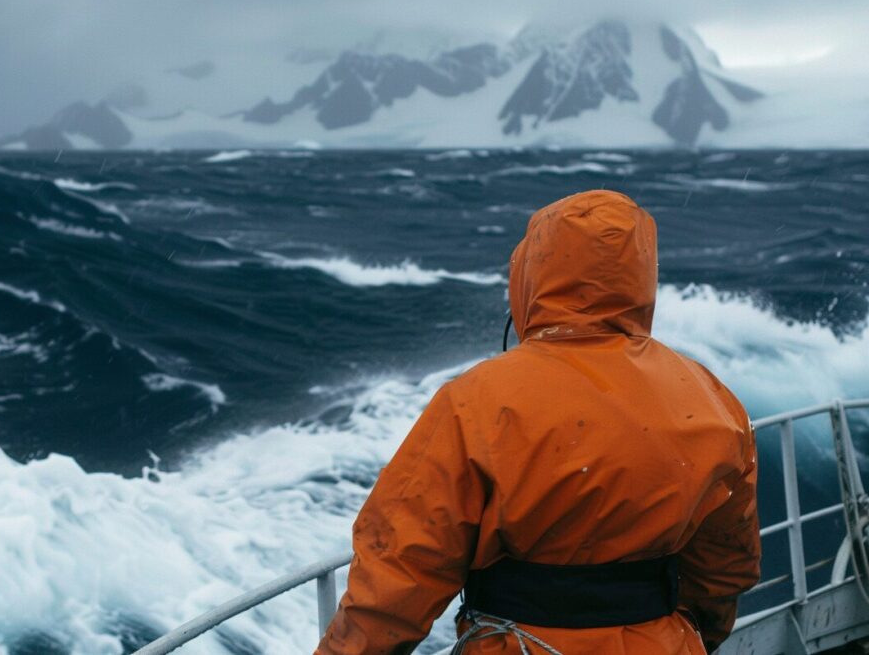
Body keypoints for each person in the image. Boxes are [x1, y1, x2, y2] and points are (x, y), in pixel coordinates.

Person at [314, 190, 760, 655]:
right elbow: (726, 565)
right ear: (643, 273)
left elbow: (398, 577)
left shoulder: (474, 402)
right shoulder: (710, 397)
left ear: (531, 274)